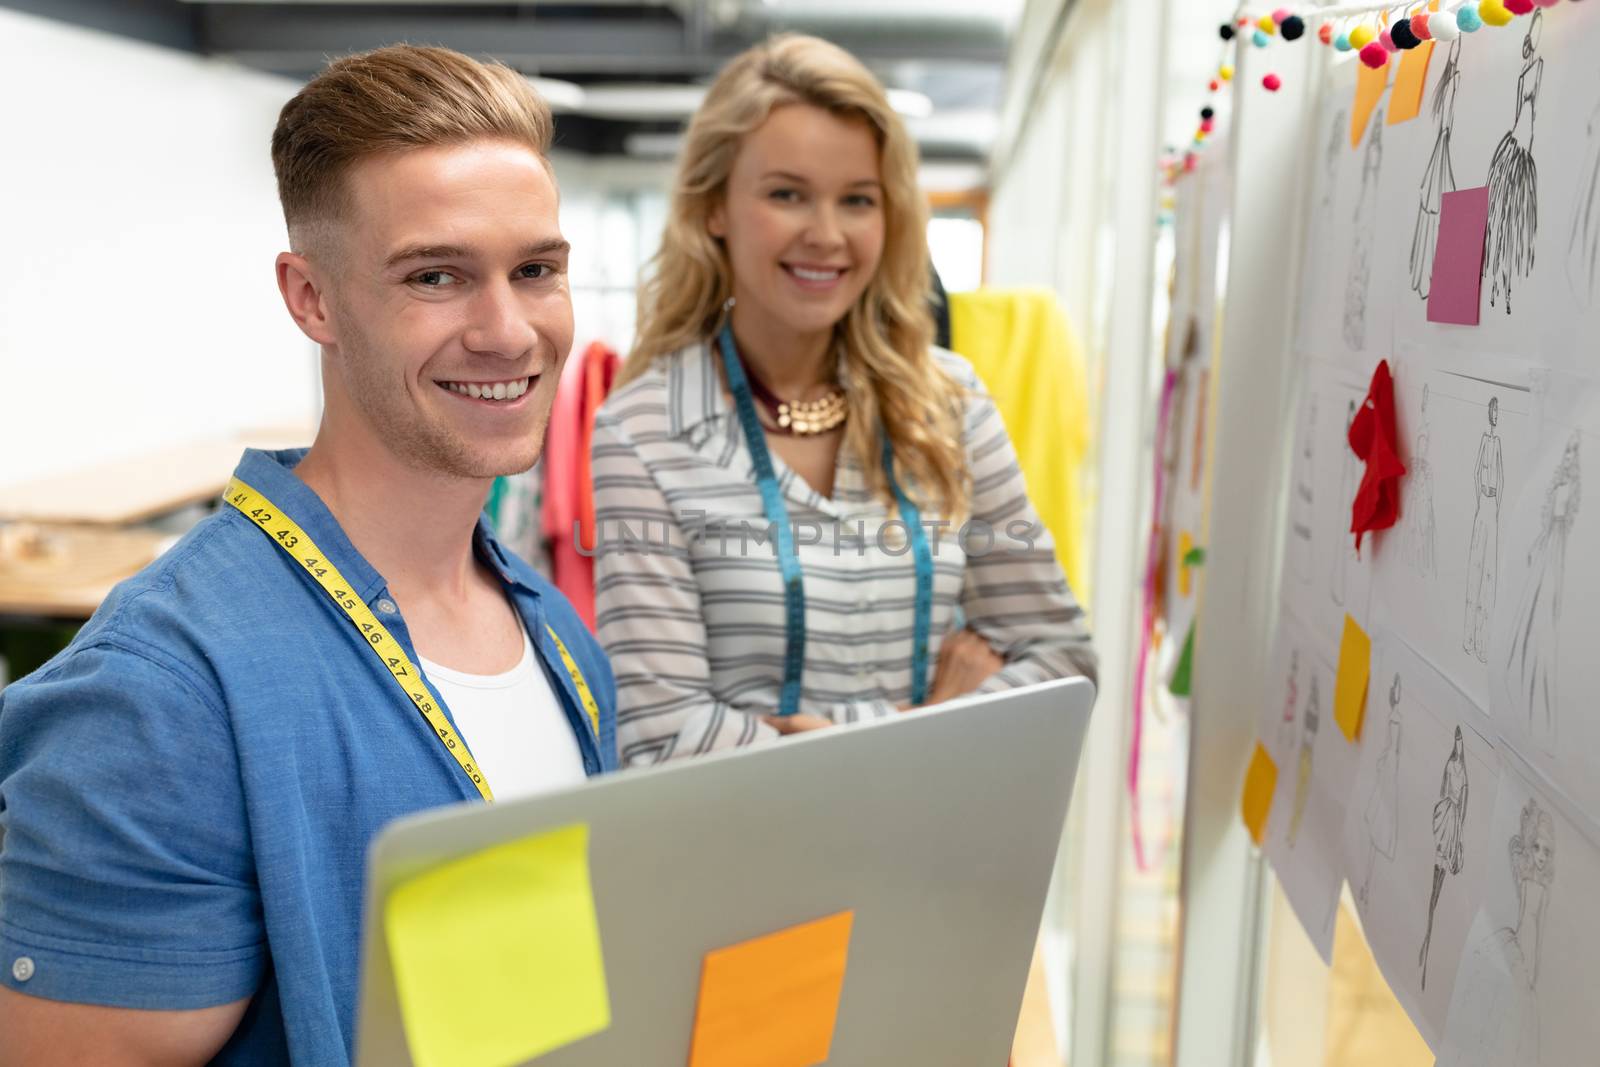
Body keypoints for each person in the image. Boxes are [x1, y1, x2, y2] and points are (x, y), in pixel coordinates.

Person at [0, 46, 616, 1064]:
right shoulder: (162, 698)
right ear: (312, 299)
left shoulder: (554, 634)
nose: (508, 330)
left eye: (536, 270)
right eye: (436, 275)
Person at [590, 34, 1095, 765]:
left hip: (934, 862)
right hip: (738, 869)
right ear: (714, 208)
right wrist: (929, 722)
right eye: (786, 194)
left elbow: (1064, 659)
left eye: (857, 199)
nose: (826, 235)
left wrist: (821, 744)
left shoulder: (951, 403)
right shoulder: (642, 429)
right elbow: (662, 733)